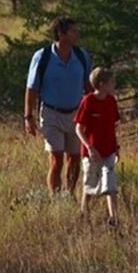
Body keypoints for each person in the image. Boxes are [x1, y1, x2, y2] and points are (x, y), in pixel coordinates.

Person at [24, 16, 91, 198]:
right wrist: (28, 117)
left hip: (76, 114)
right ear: (61, 34)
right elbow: (32, 88)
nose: (77, 34)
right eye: (73, 31)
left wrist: (94, 112)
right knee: (56, 159)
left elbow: (87, 85)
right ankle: (55, 199)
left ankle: (69, 195)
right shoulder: (42, 57)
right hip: (51, 114)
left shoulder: (81, 56)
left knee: (74, 158)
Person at [73, 67, 120, 226]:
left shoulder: (111, 102)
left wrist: (116, 147)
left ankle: (114, 219)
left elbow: (113, 127)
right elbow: (78, 129)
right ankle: (84, 215)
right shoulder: (88, 101)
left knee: (110, 184)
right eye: (111, 82)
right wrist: (89, 147)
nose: (114, 85)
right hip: (91, 153)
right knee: (90, 184)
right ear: (101, 85)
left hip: (108, 151)